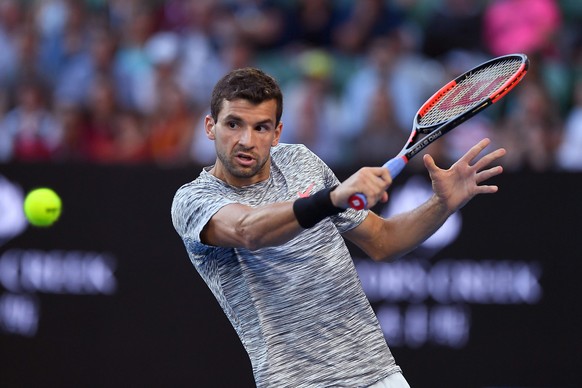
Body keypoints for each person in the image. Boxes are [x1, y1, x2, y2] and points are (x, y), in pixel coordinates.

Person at [171, 67, 506, 387]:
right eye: (233, 124)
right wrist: (331, 199)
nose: (246, 140)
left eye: (260, 127)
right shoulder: (193, 200)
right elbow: (248, 230)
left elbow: (383, 241)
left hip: (378, 374)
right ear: (209, 127)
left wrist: (442, 205)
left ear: (277, 133)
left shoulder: (301, 161)